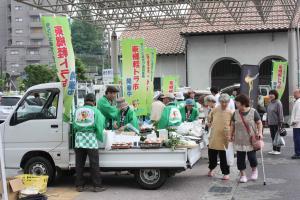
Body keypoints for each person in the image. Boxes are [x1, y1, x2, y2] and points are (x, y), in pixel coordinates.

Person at [73, 93, 106, 192]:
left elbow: (74, 126)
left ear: (84, 101)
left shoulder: (77, 111)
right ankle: (97, 186)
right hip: (90, 139)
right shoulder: (96, 111)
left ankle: (79, 185)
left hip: (79, 139)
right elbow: (100, 125)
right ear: (94, 102)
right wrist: (100, 136)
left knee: (79, 164)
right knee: (94, 163)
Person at [229, 94, 263, 183]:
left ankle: (254, 170)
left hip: (251, 139)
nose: (236, 104)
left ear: (243, 103)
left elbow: (259, 123)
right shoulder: (235, 113)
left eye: (237, 103)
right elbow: (232, 125)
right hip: (239, 139)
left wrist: (260, 133)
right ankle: (243, 175)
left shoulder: (253, 112)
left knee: (252, 157)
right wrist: (230, 135)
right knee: (240, 158)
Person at [207, 94, 233, 180]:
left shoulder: (230, 112)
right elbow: (209, 119)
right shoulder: (214, 110)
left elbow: (232, 125)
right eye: (222, 102)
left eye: (226, 102)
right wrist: (209, 123)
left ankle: (226, 173)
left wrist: (231, 134)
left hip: (225, 136)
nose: (224, 104)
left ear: (229, 102)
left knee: (224, 157)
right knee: (212, 156)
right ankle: (211, 169)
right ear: (220, 102)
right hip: (214, 135)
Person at [267, 90, 284, 155]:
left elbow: (280, 113)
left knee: (277, 137)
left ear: (275, 95)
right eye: (270, 94)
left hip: (277, 123)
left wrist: (281, 123)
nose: (271, 95)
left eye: (272, 94)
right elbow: (268, 112)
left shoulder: (278, 103)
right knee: (273, 136)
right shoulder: (270, 102)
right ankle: (274, 149)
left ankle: (278, 150)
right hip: (271, 122)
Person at [291, 89, 300, 159]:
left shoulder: (298, 102)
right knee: (297, 138)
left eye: (295, 93)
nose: (294, 95)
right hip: (297, 124)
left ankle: (298, 153)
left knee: (297, 139)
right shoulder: (297, 101)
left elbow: (298, 114)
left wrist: (294, 122)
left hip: (297, 125)